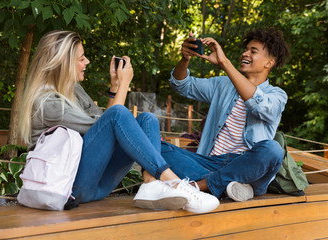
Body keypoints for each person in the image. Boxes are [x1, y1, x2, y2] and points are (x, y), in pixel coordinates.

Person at [18, 30, 219, 213]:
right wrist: (124, 84)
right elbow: (112, 120)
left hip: (96, 184)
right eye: (81, 58)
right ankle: (174, 183)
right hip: (68, 188)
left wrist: (115, 88)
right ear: (63, 63)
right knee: (119, 115)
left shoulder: (74, 91)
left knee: (147, 119)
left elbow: (103, 126)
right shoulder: (46, 102)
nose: (87, 62)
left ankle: (150, 184)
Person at [160, 28, 290, 201]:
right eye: (246, 49)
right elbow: (181, 85)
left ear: (269, 63)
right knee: (154, 144)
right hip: (208, 163)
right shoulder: (222, 84)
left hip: (248, 169)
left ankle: (200, 186)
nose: (245, 53)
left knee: (273, 149)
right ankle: (229, 185)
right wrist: (185, 59)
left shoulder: (277, 95)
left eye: (253, 51)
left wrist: (225, 63)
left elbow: (260, 107)